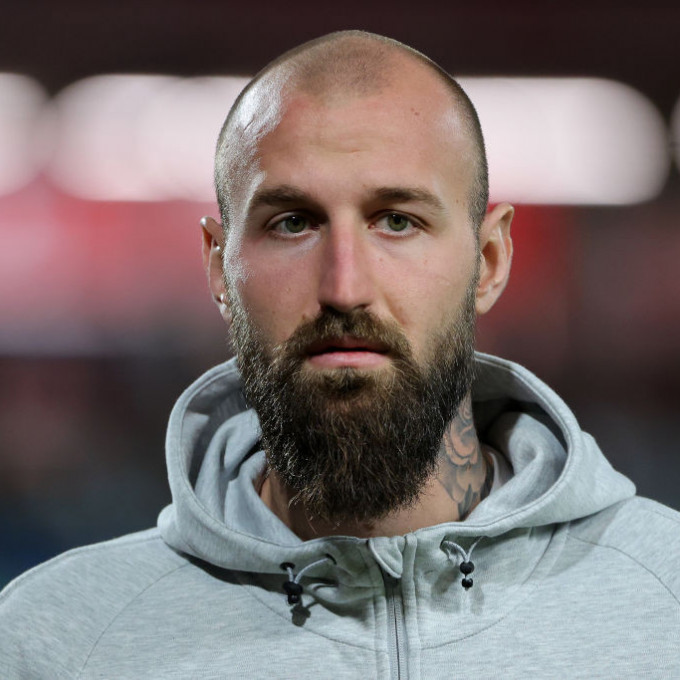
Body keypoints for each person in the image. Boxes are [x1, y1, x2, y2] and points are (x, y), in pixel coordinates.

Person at [1, 30, 679, 679]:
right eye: (292, 223)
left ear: (490, 260)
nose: (344, 288)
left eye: (398, 221)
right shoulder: (56, 641)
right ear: (218, 267)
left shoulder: (666, 599)